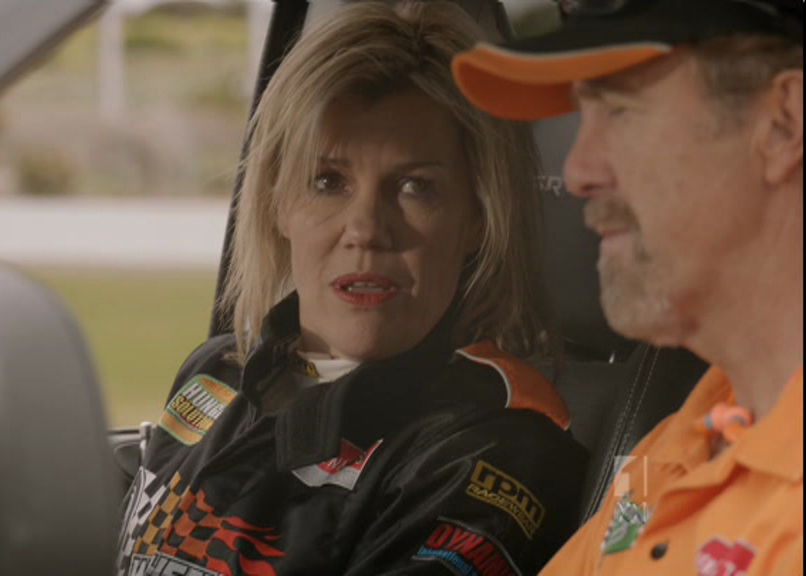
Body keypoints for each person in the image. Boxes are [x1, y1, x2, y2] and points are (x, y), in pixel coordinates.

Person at [116, 3, 587, 575]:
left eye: (415, 187)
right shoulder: (216, 372)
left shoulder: (492, 453)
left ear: (478, 219)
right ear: (276, 203)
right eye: (327, 181)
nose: (365, 229)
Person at [452, 0, 803, 574]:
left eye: (621, 112)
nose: (576, 173)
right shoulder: (683, 443)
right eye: (582, 115)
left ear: (783, 123)